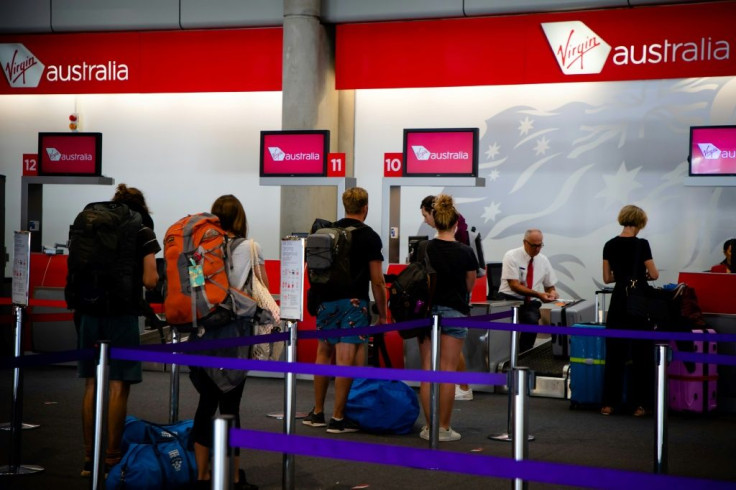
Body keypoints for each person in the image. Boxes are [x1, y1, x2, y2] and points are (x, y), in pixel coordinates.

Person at [76, 184, 160, 476]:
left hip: (88, 310)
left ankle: (89, 458)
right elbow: (150, 280)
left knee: (90, 383)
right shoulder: (142, 229)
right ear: (141, 207)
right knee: (118, 385)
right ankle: (112, 457)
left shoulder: (91, 223)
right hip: (122, 313)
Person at [189, 195, 260, 489]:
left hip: (203, 335)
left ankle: (202, 476)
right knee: (231, 407)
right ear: (241, 218)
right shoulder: (250, 247)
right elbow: (259, 291)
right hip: (235, 339)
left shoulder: (199, 248)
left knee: (205, 404)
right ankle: (231, 477)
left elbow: (194, 288)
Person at [302, 187, 387, 433]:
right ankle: (338, 418)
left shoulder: (328, 231)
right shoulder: (369, 236)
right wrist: (381, 313)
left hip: (325, 300)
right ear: (366, 208)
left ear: (345, 206)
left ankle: (317, 412)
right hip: (353, 303)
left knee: (323, 353)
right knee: (345, 357)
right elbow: (377, 280)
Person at [417, 194, 478, 442]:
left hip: (425, 314)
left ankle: (429, 427)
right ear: (455, 224)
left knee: (427, 371)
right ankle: (444, 428)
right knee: (447, 371)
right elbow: (469, 285)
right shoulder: (466, 252)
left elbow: (417, 281)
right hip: (455, 313)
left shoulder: (424, 248)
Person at [600, 204, 659, 417]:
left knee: (614, 353)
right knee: (641, 354)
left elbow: (607, 278)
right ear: (640, 223)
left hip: (618, 302)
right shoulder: (642, 245)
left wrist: (623, 275)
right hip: (638, 303)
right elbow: (654, 273)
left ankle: (608, 403)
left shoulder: (609, 244)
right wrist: (639, 275)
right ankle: (640, 405)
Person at [498, 229, 559, 352]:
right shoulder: (511, 256)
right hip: (510, 298)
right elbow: (514, 285)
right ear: (525, 242)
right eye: (534, 245)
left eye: (540, 245)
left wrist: (552, 293)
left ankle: (525, 354)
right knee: (504, 330)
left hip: (530, 300)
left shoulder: (543, 260)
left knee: (531, 322)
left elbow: (549, 286)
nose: (537, 249)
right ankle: (504, 354)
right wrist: (538, 294)